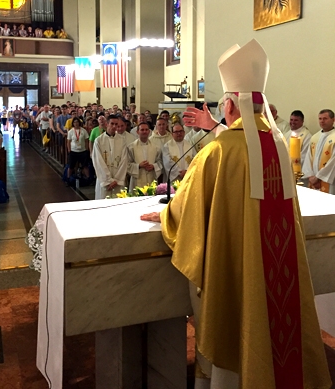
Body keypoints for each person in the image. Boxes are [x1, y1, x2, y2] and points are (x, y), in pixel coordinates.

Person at [141, 39, 330, 389]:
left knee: (236, 316)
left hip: (237, 264)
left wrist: (167, 217)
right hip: (279, 266)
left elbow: (189, 207)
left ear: (230, 105)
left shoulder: (219, 150)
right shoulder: (276, 144)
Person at [92, 115, 127, 199]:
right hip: (104, 181)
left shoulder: (122, 140)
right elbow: (98, 161)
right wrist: (108, 181)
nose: (114, 126)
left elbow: (124, 161)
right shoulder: (99, 141)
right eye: (112, 124)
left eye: (116, 124)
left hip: (117, 181)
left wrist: (117, 180)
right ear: (107, 124)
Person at [302, 109, 335, 193]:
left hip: (328, 180)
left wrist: (318, 178)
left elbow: (333, 162)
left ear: (333, 120)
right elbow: (308, 158)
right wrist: (311, 176)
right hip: (313, 180)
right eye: (320, 119)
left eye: (325, 118)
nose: (322, 121)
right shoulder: (315, 137)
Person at [127, 122, 162, 191]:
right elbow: (127, 164)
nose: (144, 132)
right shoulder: (131, 147)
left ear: (149, 131)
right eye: (142, 130)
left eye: (146, 130)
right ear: (137, 132)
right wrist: (139, 166)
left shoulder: (156, 147)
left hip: (151, 179)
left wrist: (153, 166)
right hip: (137, 180)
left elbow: (160, 162)